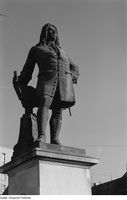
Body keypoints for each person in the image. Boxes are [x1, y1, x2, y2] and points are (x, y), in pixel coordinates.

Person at [17, 23, 79, 146]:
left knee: (58, 110)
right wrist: (21, 81)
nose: (52, 33)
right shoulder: (37, 49)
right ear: (44, 34)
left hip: (63, 85)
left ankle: (55, 139)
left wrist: (71, 77)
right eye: (49, 30)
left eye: (54, 31)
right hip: (46, 81)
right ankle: (42, 136)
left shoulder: (63, 51)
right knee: (44, 103)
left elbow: (75, 67)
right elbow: (28, 68)